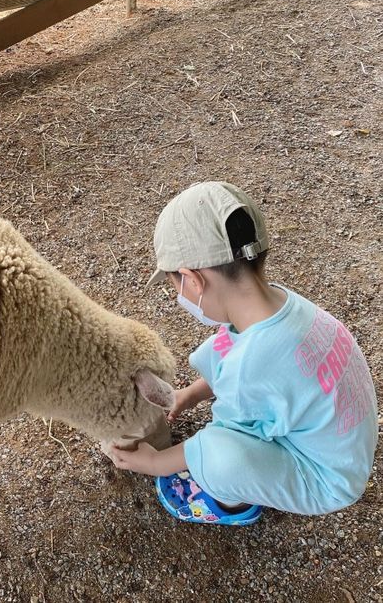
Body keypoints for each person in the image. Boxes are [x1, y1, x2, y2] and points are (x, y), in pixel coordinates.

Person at [111, 181, 378, 525]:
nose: (178, 294)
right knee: (222, 352)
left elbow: (218, 441)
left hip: (329, 479)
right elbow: (231, 359)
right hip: (344, 447)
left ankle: (230, 502)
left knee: (219, 459)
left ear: (193, 280)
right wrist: (189, 395)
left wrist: (153, 463)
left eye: (174, 284)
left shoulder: (250, 368)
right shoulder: (280, 307)